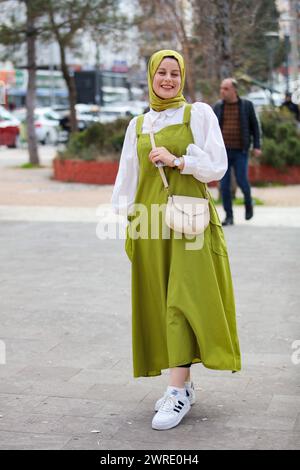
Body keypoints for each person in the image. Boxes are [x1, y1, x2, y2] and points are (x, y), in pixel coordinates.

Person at [111, 50, 241, 431]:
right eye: (161, 72)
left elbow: (217, 165)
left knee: (183, 300)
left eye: (174, 73)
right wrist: (128, 226)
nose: (167, 79)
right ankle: (181, 382)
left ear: (182, 77)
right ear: (151, 76)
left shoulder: (198, 114)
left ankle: (178, 391)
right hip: (149, 222)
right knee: (159, 301)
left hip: (189, 221)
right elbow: (127, 178)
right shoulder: (138, 123)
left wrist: (178, 160)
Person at [213, 78, 261, 226]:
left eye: (226, 88)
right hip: (223, 153)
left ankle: (248, 203)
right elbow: (211, 128)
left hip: (241, 151)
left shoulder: (247, 105)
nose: (222, 91)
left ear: (234, 90)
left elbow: (255, 127)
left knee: (242, 180)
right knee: (224, 185)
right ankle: (229, 216)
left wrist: (257, 146)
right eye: (221, 88)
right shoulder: (218, 106)